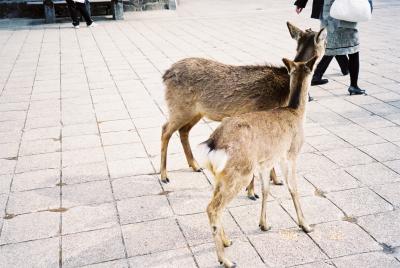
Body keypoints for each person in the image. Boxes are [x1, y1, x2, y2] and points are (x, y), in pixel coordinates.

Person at [294, 0, 372, 95]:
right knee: (349, 50)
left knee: (348, 49)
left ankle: (353, 85)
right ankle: (304, 87)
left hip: (343, 10)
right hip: (334, 12)